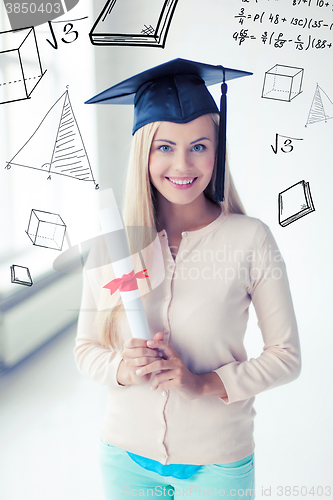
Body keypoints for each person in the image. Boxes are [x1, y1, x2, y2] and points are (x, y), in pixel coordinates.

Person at [75, 59, 301, 499]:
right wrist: (123, 367)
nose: (182, 163)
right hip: (125, 460)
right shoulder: (113, 243)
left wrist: (205, 383)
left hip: (218, 462)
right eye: (164, 147)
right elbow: (86, 350)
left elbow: (286, 356)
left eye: (199, 145)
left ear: (218, 151)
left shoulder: (250, 239)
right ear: (143, 152)